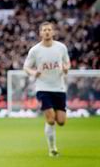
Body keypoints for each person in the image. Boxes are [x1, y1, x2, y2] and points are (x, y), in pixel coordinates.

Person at [23, 22, 70, 157]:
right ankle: (52, 149)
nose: (47, 32)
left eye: (49, 30)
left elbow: (67, 62)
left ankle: (52, 141)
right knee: (50, 119)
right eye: (44, 30)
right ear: (40, 33)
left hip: (59, 88)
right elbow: (26, 66)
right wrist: (33, 73)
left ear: (53, 32)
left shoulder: (61, 47)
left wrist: (66, 67)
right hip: (43, 88)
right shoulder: (35, 50)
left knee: (60, 121)